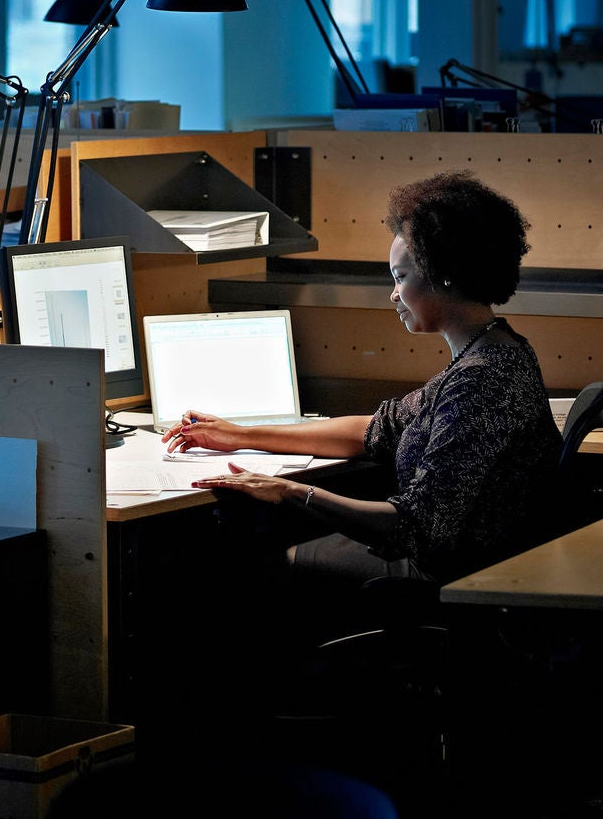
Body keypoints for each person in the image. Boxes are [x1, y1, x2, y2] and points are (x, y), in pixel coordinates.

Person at [168, 170, 560, 593]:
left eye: (400, 277)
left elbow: (413, 527)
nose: (393, 295)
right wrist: (238, 434)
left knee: (243, 562)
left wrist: (289, 491)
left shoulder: (480, 383)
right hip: (463, 564)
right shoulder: (498, 350)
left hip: (447, 578)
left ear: (444, 274)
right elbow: (375, 428)